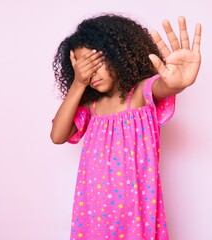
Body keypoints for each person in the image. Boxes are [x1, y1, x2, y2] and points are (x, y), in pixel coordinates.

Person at [51, 13, 201, 240]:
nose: (90, 73)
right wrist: (78, 84)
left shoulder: (140, 95)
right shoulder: (91, 107)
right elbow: (57, 135)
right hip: (94, 215)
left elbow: (162, 86)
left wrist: (175, 84)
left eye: (95, 63)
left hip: (137, 216)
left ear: (117, 53)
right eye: (82, 68)